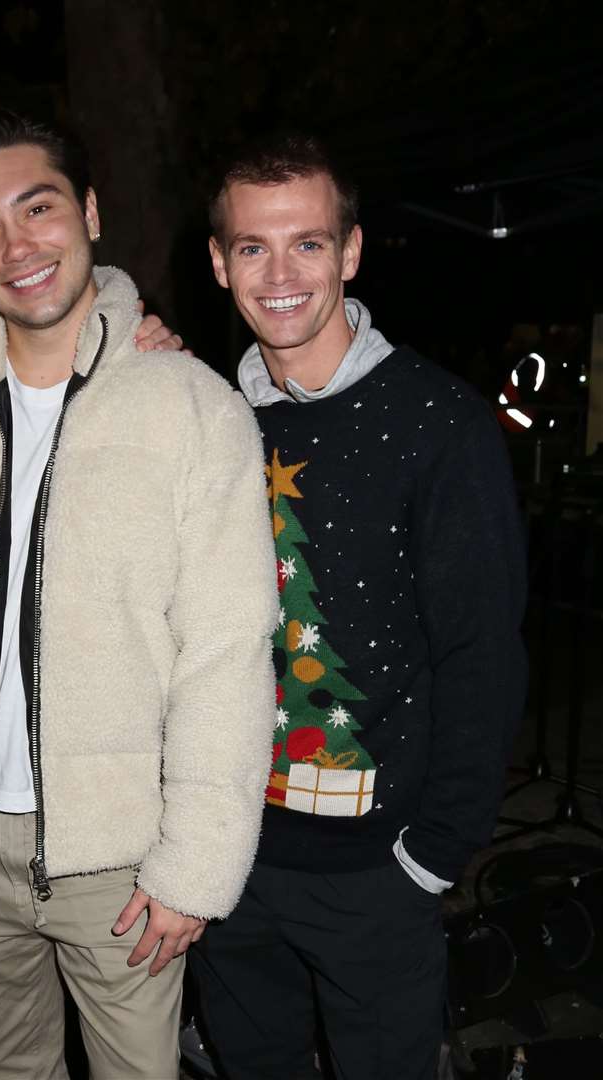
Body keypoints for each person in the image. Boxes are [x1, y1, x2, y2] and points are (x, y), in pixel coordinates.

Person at [0, 108, 278, 1079]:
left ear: (90, 211)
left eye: (37, 207)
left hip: (122, 855)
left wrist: (194, 867)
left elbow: (228, 651)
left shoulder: (194, 409)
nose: (14, 246)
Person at [189, 133, 527, 1080]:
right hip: (227, 858)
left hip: (379, 869)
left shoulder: (440, 423)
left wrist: (433, 854)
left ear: (351, 251)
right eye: (253, 247)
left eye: (308, 242)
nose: (282, 272)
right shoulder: (211, 419)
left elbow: (483, 657)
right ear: (219, 264)